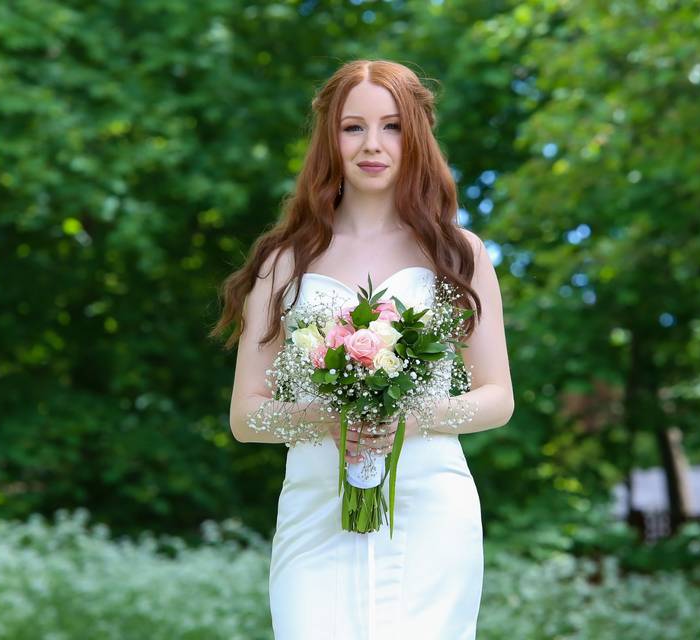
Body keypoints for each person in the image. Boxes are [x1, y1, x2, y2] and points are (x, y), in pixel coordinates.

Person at [211, 59, 514, 640]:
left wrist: (406, 415)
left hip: (431, 507)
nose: (372, 144)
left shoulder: (457, 253)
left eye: (392, 126)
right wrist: (329, 417)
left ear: (417, 135)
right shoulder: (285, 261)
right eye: (354, 127)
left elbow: (497, 398)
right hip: (316, 507)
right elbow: (246, 416)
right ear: (330, 136)